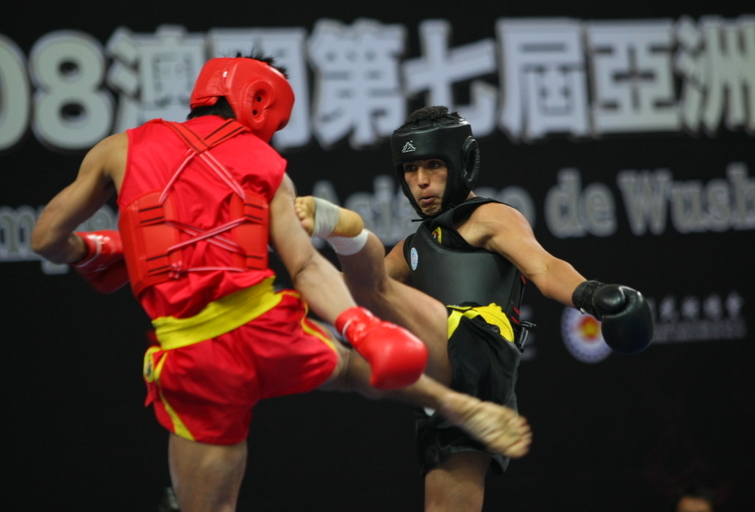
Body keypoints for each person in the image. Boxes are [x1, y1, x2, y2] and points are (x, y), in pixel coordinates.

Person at [31, 61, 532, 512]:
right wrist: (359, 327)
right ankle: (453, 401)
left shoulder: (119, 149)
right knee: (353, 366)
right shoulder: (266, 165)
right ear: (259, 102)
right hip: (262, 328)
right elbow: (307, 268)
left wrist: (92, 250)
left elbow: (46, 239)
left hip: (191, 351)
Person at [295, 105, 653, 512]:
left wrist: (592, 295)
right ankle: (333, 253)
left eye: (433, 165)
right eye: (410, 169)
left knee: (374, 288)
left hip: (478, 347)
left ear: (462, 162)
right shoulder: (412, 248)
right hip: (439, 370)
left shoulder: (488, 217)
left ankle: (348, 235)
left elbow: (544, 267)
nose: (421, 180)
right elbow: (342, 292)